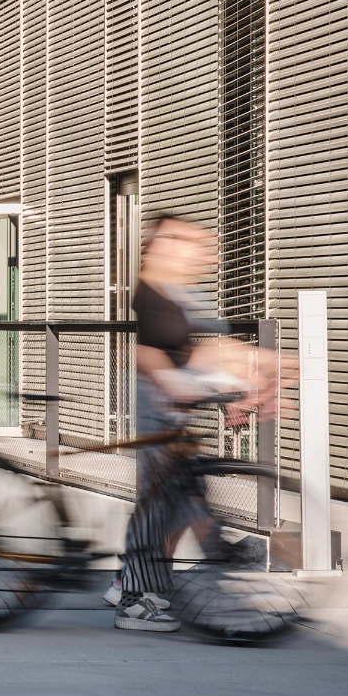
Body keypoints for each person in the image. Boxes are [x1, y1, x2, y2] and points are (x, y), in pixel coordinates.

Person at [113, 215, 245, 632]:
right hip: (158, 407)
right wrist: (180, 384)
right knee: (160, 506)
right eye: (190, 242)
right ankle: (134, 599)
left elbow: (194, 346)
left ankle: (135, 585)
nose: (202, 252)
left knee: (179, 499)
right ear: (162, 244)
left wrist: (223, 389)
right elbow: (148, 352)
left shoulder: (173, 293)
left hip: (171, 409)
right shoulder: (150, 292)